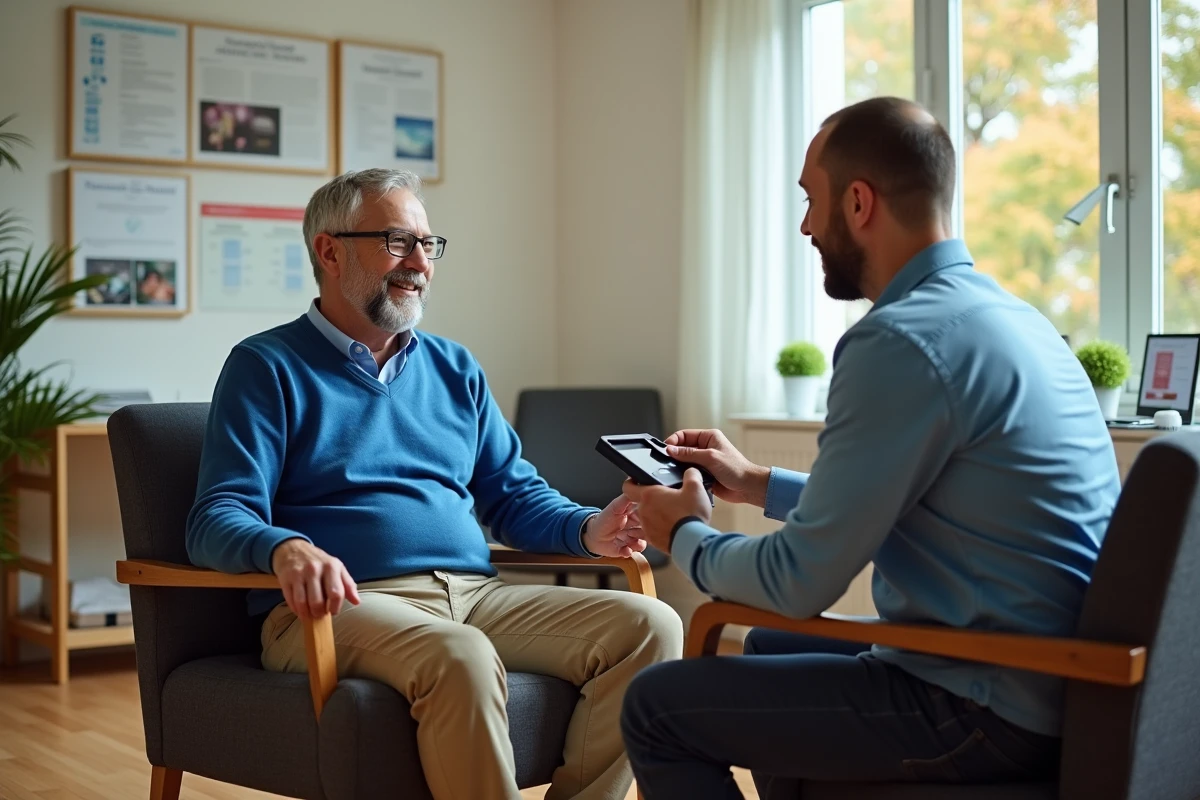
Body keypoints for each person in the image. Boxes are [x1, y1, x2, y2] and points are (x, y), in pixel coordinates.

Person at [619, 96, 1121, 798]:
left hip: (983, 702)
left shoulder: (900, 340)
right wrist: (757, 482)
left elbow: (799, 582)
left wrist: (689, 535)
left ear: (858, 203)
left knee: (656, 706)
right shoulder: (1011, 318)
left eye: (809, 201)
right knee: (766, 645)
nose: (804, 226)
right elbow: (915, 500)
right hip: (1057, 681)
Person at [186, 167, 683, 800]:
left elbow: (512, 492)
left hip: (474, 594)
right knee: (462, 654)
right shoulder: (266, 366)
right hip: (343, 607)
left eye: (428, 243)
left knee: (652, 626)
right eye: (398, 241)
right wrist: (285, 547)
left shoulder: (454, 367)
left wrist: (589, 528)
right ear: (329, 251)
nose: (420, 261)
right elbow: (216, 516)